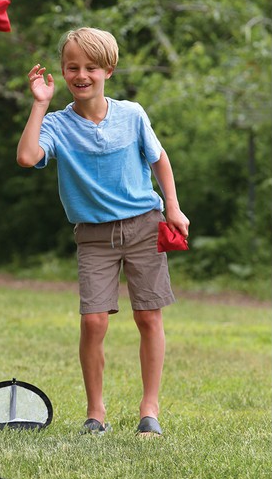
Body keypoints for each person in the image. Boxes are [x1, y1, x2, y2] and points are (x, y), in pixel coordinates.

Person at [16, 28, 189, 437]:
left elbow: (159, 158)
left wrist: (173, 206)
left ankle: (149, 409)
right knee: (93, 322)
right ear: (62, 71)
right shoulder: (57, 125)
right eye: (72, 67)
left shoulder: (132, 115)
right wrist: (40, 104)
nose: (81, 75)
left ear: (108, 70)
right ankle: (96, 412)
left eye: (91, 67)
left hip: (144, 225)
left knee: (148, 316)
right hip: (94, 235)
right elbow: (26, 156)